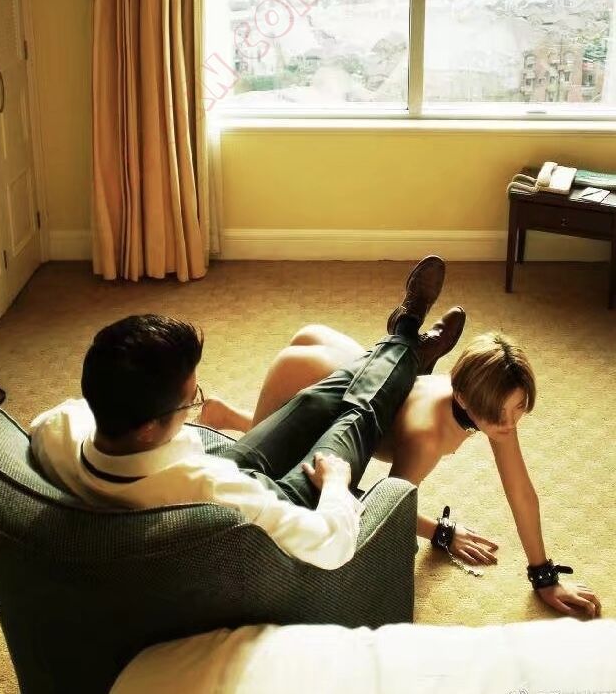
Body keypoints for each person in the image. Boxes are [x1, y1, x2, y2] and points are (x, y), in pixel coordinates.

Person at [29, 255, 465, 572]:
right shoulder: (215, 492)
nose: (196, 404)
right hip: (279, 498)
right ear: (145, 429)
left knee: (312, 401)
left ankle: (404, 341)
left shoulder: (56, 431)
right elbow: (330, 546)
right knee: (359, 416)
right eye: (191, 400)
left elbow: (46, 425)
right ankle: (405, 340)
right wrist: (336, 485)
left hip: (210, 466)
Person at [200, 322, 602, 619]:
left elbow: (520, 491)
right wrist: (443, 532)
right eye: (502, 415)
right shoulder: (428, 437)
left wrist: (544, 576)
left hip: (341, 357)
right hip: (310, 378)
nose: (510, 425)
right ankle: (234, 422)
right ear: (464, 398)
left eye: (520, 408)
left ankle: (229, 415)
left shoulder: (492, 404)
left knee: (320, 441)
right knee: (279, 481)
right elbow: (386, 508)